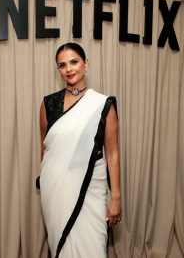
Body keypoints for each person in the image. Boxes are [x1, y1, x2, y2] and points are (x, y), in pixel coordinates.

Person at [38, 42, 121, 258]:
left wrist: (116, 198)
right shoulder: (49, 104)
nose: (69, 69)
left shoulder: (102, 104)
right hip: (56, 191)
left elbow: (112, 153)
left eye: (74, 62)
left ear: (86, 64)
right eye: (62, 65)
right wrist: (47, 181)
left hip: (92, 188)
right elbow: (46, 149)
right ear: (58, 70)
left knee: (93, 246)